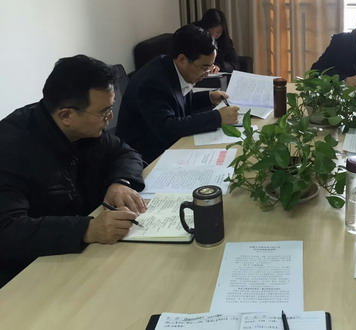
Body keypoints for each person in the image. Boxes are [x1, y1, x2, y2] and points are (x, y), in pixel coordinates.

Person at [0, 55, 146, 287]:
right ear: (66, 115)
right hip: (30, 275)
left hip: (84, 257)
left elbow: (126, 153)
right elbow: (8, 231)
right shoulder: (10, 148)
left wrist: (120, 182)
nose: (110, 118)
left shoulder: (86, 131)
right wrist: (87, 229)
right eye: (104, 111)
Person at [116, 25, 240, 164]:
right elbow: (167, 129)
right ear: (182, 59)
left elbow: (177, 102)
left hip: (168, 145)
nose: (207, 73)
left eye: (211, 66)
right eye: (204, 67)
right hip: (144, 158)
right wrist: (217, 117)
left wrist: (209, 97)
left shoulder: (172, 67)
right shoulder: (153, 82)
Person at [193, 8, 240, 73]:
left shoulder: (224, 40)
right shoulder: (194, 34)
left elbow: (235, 65)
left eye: (218, 32)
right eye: (210, 30)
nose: (213, 35)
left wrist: (219, 66)